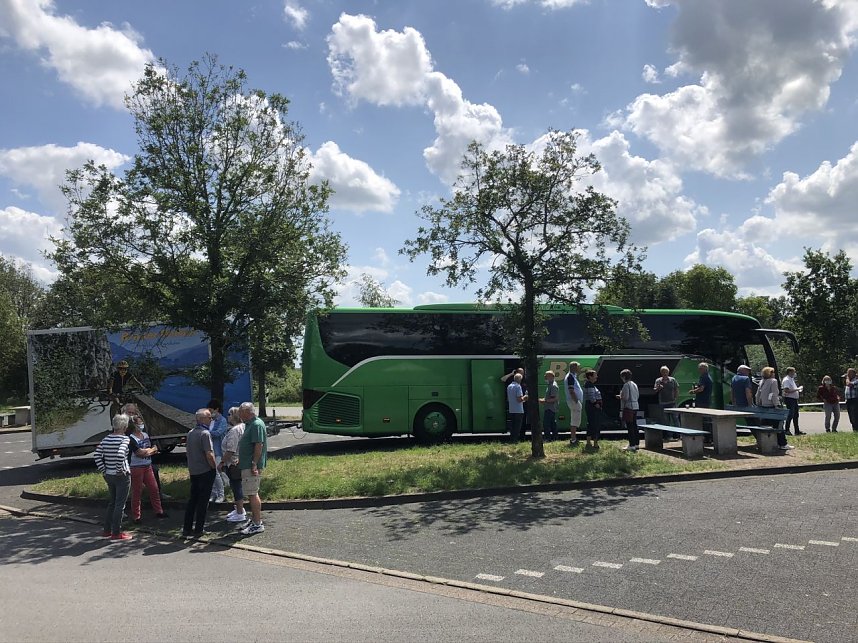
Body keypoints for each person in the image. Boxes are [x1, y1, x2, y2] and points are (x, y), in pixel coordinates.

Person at [93, 413, 133, 541]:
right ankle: (116, 532)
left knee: (112, 502)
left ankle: (107, 530)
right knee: (120, 505)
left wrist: (104, 470)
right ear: (124, 427)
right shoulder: (125, 439)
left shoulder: (106, 439)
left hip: (108, 474)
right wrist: (119, 469)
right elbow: (121, 454)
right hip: (121, 475)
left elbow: (97, 455)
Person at [182, 408, 217, 538]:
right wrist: (214, 467)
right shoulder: (205, 433)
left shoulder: (190, 433)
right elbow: (209, 454)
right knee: (203, 501)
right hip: (205, 470)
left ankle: (186, 528)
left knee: (193, 500)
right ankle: (199, 529)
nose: (211, 419)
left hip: (194, 471)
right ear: (202, 419)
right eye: (209, 417)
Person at [128, 411, 166, 523]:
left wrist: (148, 451)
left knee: (154, 489)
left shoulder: (145, 435)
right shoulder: (131, 438)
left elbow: (154, 448)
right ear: (134, 425)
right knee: (137, 491)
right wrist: (150, 451)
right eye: (139, 423)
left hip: (147, 465)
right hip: (136, 467)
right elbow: (139, 452)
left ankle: (159, 511)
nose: (141, 425)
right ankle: (136, 516)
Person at [237, 402, 268, 535]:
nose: (239, 415)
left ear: (248, 412)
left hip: (251, 466)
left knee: (252, 493)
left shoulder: (256, 425)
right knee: (250, 493)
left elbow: (258, 445)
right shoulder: (250, 424)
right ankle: (254, 519)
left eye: (241, 412)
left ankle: (257, 523)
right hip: (247, 464)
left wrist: (254, 463)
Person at [218, 406, 247, 522]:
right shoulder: (243, 427)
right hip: (240, 460)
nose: (227, 417)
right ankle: (238, 509)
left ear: (234, 416)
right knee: (236, 485)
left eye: (229, 414)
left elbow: (231, 449)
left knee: (236, 486)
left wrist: (222, 462)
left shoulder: (235, 430)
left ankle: (240, 512)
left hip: (233, 462)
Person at [756, 366, 793, 451]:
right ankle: (783, 443)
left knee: (766, 423)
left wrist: (758, 403)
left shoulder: (762, 381)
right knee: (779, 425)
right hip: (772, 406)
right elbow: (774, 394)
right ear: (770, 373)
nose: (774, 374)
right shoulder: (773, 381)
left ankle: (770, 442)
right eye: (773, 372)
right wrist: (777, 405)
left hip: (763, 406)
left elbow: (757, 394)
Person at [207, 399, 229, 504]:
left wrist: (206, 433)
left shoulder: (222, 420)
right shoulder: (210, 420)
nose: (210, 413)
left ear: (217, 409)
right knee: (211, 473)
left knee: (216, 473)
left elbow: (219, 433)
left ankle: (221, 495)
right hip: (210, 450)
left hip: (218, 450)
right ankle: (213, 494)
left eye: (211, 410)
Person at [618, 369, 640, 452]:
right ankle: (637, 444)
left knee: (630, 426)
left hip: (628, 407)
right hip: (635, 405)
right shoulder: (634, 384)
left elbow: (625, 397)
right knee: (634, 425)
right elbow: (637, 395)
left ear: (623, 377)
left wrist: (620, 396)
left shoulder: (626, 385)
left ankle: (632, 445)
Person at [582, 369, 602, 449]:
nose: (597, 376)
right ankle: (595, 443)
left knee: (591, 423)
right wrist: (596, 404)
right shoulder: (589, 385)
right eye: (595, 375)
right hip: (592, 407)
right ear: (590, 376)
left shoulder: (589, 384)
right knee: (595, 424)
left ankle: (589, 442)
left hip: (590, 406)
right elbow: (591, 396)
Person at [781, 367, 804, 435]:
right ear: (790, 372)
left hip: (794, 399)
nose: (794, 373)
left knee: (796, 415)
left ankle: (797, 430)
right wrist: (797, 389)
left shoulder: (791, 379)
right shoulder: (786, 380)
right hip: (789, 399)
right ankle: (787, 430)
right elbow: (786, 390)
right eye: (793, 372)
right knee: (790, 415)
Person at [565, 362, 583, 446]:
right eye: (578, 367)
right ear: (574, 367)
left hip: (574, 401)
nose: (579, 369)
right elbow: (571, 391)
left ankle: (574, 438)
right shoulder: (570, 377)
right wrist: (576, 401)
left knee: (575, 420)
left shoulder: (572, 376)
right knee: (575, 420)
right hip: (574, 401)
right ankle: (573, 439)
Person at [506, 373, 527, 442]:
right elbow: (519, 399)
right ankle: (515, 440)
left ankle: (512, 439)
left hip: (511, 409)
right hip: (518, 409)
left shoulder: (509, 386)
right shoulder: (518, 386)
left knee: (512, 426)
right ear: (519, 379)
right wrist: (525, 396)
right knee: (517, 427)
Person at [539, 370, 559, 442]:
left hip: (551, 408)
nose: (544, 377)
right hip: (549, 407)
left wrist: (544, 401)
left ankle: (548, 438)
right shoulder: (550, 385)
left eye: (546, 376)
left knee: (546, 423)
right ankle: (554, 437)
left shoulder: (553, 386)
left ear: (551, 376)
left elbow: (554, 399)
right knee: (553, 423)